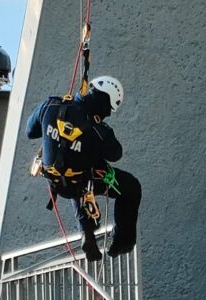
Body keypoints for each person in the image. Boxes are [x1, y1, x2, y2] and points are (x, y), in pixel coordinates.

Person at [25, 76, 142, 261]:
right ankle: (122, 242)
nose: (108, 114)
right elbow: (116, 154)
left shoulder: (50, 106)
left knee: (78, 177)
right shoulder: (99, 131)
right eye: (108, 109)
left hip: (55, 180)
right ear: (103, 102)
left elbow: (30, 131)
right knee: (131, 187)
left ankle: (87, 232)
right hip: (81, 182)